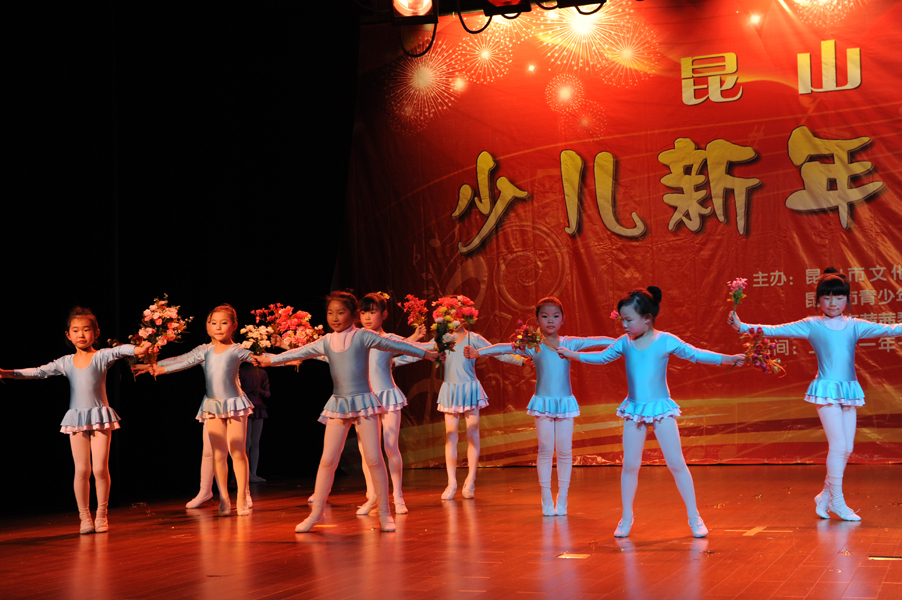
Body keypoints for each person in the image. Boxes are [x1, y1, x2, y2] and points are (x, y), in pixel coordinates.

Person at [557, 287, 744, 538]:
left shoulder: (665, 340)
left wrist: (727, 359)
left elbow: (696, 354)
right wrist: (573, 355)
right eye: (622, 320)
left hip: (660, 409)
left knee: (676, 463)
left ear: (647, 318)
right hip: (635, 409)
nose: (624, 325)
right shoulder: (624, 343)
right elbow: (602, 357)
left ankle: (694, 516)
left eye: (629, 320)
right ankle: (626, 517)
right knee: (630, 465)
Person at [256, 291, 439, 533]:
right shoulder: (326, 341)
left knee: (374, 458)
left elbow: (397, 344)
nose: (334, 317)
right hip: (339, 404)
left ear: (353, 315)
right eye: (330, 313)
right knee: (327, 460)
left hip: (364, 403)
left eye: (340, 312)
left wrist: (426, 353)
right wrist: (270, 361)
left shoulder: (363, 336)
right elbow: (299, 353)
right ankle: (316, 513)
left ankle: (385, 512)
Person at [729, 268, 902, 522]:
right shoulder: (812, 325)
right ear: (818, 300)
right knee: (839, 446)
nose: (833, 303)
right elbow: (776, 330)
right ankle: (838, 503)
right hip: (825, 391)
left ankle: (824, 496)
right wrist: (742, 326)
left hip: (849, 391)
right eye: (827, 298)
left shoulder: (855, 325)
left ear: (847, 299)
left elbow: (891, 329)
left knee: (847, 448)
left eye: (839, 298)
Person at [0, 307, 149, 534]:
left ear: (96, 333)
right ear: (68, 335)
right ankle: (84, 517)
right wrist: (7, 373)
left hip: (99, 417)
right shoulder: (66, 362)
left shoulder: (101, 356)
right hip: (76, 418)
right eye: (76, 330)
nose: (81, 334)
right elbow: (39, 372)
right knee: (82, 470)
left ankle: (101, 515)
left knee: (100, 468)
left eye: (86, 330)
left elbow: (120, 350)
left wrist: (138, 349)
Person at [464, 297, 614, 516]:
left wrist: (623, 340)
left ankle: (562, 498)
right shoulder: (533, 344)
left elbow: (595, 341)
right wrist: (479, 353)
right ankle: (545, 497)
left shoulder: (570, 343)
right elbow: (503, 347)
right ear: (537, 320)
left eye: (555, 316)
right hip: (542, 403)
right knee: (545, 450)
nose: (550, 320)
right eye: (545, 316)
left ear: (563, 319)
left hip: (565, 403)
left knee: (564, 451)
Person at [397, 296, 524, 501]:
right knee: (451, 436)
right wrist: (394, 362)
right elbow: (418, 352)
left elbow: (497, 352)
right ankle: (451, 482)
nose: (453, 318)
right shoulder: (443, 340)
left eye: (457, 313)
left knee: (473, 434)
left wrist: (522, 361)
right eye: (448, 314)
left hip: (470, 389)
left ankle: (470, 480)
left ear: (465, 316)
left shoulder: (474, 338)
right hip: (451, 391)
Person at [147, 304, 255, 516]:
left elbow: (262, 358)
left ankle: (243, 495)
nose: (218, 327)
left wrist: (288, 359)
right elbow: (182, 360)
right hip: (213, 405)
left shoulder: (237, 350)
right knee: (218, 454)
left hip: (235, 404)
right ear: (207, 326)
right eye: (213, 323)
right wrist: (157, 367)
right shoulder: (204, 350)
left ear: (234, 326)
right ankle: (224, 498)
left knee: (237, 451)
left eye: (224, 323)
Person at [239, 362, 270, 483]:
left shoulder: (262, 372)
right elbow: (237, 390)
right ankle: (245, 473)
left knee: (255, 442)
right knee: (247, 442)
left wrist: (260, 391)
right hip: (246, 407)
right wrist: (249, 390)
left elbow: (268, 393)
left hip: (258, 407)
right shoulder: (241, 372)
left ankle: (253, 473)